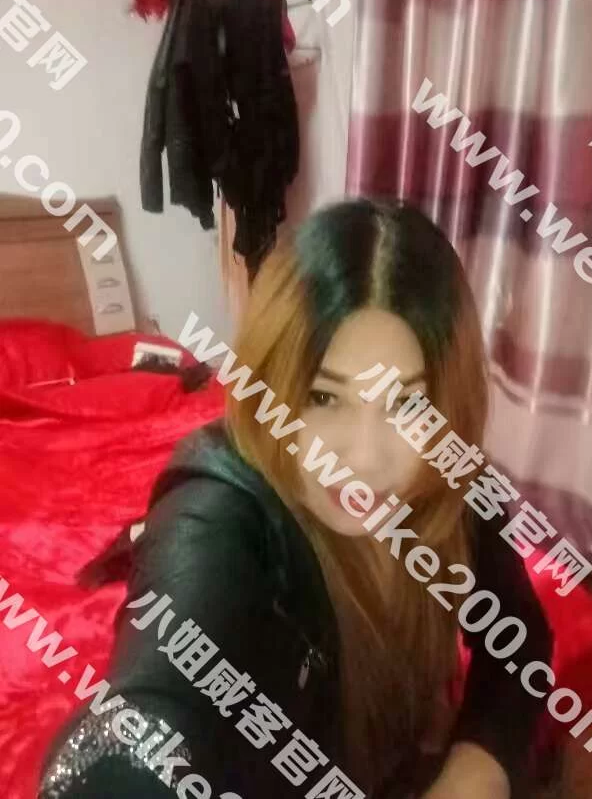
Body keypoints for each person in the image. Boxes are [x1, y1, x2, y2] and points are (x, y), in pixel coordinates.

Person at [38, 199, 553, 799]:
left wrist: (474, 770)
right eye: (322, 397)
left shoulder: (449, 472)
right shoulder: (218, 512)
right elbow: (149, 717)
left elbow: (519, 635)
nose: (364, 459)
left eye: (407, 403)